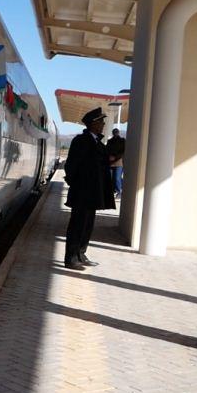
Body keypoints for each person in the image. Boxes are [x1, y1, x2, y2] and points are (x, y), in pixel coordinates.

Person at [63, 107, 115, 271]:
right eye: (101, 122)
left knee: (88, 225)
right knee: (78, 224)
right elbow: (71, 165)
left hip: (93, 192)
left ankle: (80, 253)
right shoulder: (80, 141)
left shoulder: (97, 142)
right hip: (82, 192)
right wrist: (76, 184)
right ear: (93, 124)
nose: (103, 125)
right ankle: (71, 258)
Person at [106, 128, 125, 198]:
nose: (115, 133)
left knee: (117, 177)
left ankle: (119, 191)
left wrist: (116, 157)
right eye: (114, 132)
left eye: (116, 132)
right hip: (110, 162)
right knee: (111, 178)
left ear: (118, 132)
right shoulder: (110, 141)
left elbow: (123, 151)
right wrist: (109, 157)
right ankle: (112, 191)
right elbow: (107, 150)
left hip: (119, 162)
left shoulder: (122, 141)